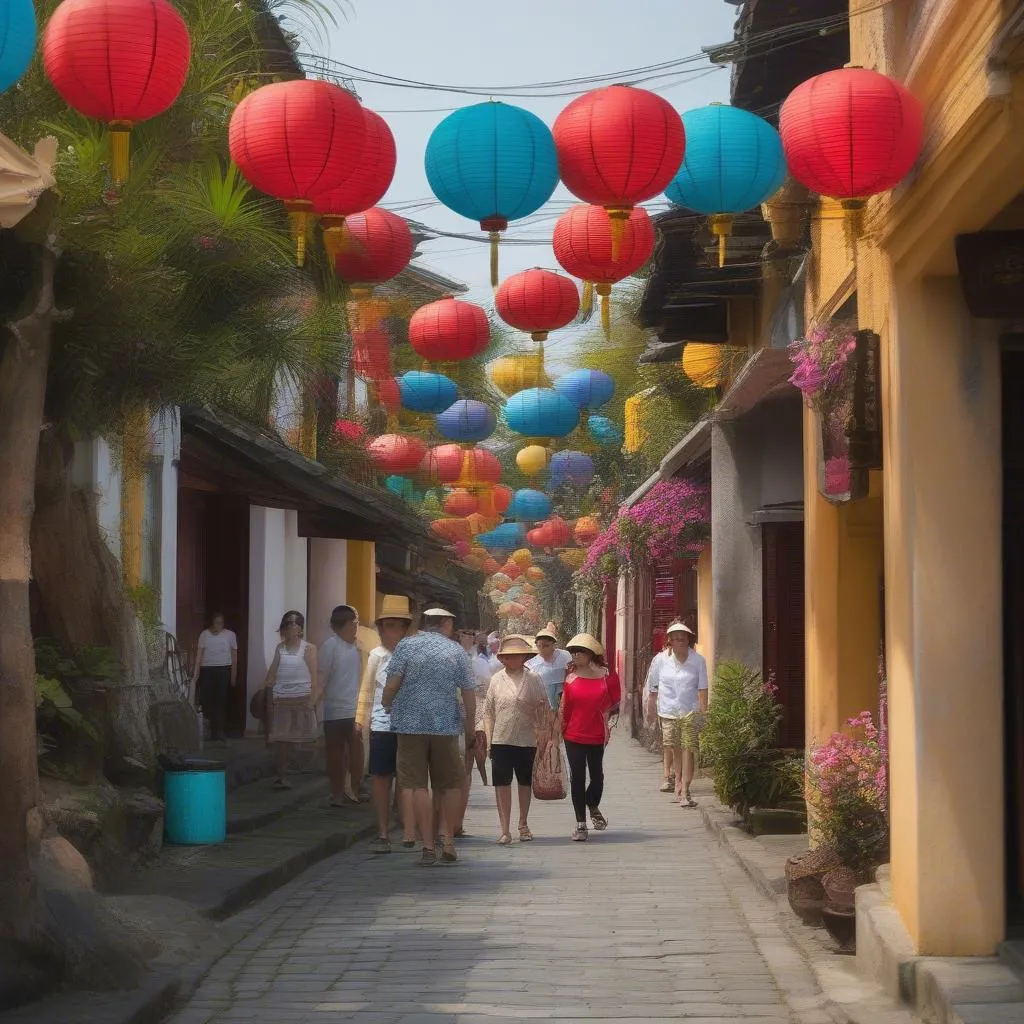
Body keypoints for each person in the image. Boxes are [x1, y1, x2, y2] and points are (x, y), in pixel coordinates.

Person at [382, 607, 476, 866]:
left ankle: (426, 846)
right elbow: (468, 693)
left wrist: (386, 702)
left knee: (416, 785)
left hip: (410, 726)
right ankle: (447, 839)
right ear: (446, 624)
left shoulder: (406, 647)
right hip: (445, 726)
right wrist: (471, 727)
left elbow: (392, 684)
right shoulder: (456, 651)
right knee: (450, 785)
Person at [355, 595, 415, 854]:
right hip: (381, 724)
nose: (388, 631)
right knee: (381, 777)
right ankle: (382, 831)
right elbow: (367, 690)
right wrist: (360, 719)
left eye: (395, 625)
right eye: (385, 626)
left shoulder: (414, 653)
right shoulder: (376, 655)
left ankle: (406, 826)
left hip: (409, 724)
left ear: (404, 628)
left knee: (407, 779)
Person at [483, 635, 549, 845]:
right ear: (502, 659)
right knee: (501, 784)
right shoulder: (496, 680)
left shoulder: (534, 678)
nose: (512, 659)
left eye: (517, 656)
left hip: (527, 739)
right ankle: (504, 829)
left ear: (524, 657)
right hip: (500, 739)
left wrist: (544, 734)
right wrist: (488, 739)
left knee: (524, 782)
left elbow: (544, 708)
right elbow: (488, 712)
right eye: (508, 657)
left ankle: (523, 823)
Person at [645, 620, 709, 808]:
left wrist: (704, 712)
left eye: (683, 638)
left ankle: (686, 789)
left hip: (691, 711)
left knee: (689, 749)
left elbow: (703, 687)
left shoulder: (698, 661)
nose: (679, 641)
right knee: (675, 748)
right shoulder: (661, 660)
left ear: (689, 640)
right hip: (668, 711)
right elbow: (654, 686)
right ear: (669, 641)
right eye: (675, 639)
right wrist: (651, 707)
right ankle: (678, 782)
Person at [559, 633, 615, 842]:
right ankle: (581, 823)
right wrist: (559, 730)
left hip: (597, 734)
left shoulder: (605, 675)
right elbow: (565, 709)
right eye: (573, 652)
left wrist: (608, 723)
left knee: (597, 776)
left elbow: (611, 703)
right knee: (578, 778)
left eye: (580, 651)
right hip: (573, 734)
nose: (575, 655)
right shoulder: (571, 678)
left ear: (591, 653)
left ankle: (592, 804)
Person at [262, 611, 319, 790]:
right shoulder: (280, 648)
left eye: (294, 624)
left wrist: (312, 699)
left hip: (301, 697)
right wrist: (268, 686)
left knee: (297, 738)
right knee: (281, 740)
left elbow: (314, 676)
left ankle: (292, 770)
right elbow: (272, 673)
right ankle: (282, 775)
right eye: (287, 624)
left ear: (301, 628)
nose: (290, 627)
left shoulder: (309, 648)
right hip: (282, 698)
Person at [318, 605, 362, 808]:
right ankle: (337, 793)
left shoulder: (357, 646)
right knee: (335, 754)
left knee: (356, 752)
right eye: (353, 624)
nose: (356, 627)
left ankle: (354, 789)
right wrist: (314, 701)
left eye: (356, 623)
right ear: (341, 626)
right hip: (335, 708)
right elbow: (322, 677)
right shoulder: (330, 646)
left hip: (354, 708)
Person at [192, 612, 238, 744]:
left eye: (221, 623)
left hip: (223, 669)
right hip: (207, 669)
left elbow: (234, 656)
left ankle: (219, 732)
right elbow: (199, 655)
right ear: (212, 623)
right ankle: (211, 731)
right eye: (217, 622)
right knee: (207, 700)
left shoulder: (230, 635)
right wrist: (196, 673)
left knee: (220, 700)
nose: (219, 625)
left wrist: (233, 675)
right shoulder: (204, 634)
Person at [527, 623, 572, 710]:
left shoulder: (564, 656)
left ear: (553, 644)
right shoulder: (531, 664)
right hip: (543, 700)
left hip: (565, 695)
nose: (542, 648)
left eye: (546, 646)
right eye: (539, 646)